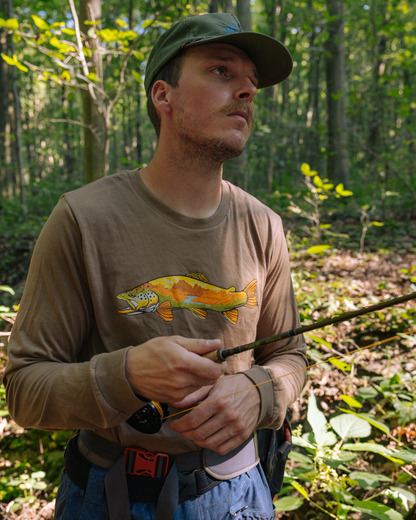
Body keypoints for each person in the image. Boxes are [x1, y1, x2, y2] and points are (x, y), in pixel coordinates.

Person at [3, 12, 307, 520]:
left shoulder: (263, 225)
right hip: (109, 492)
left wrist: (260, 392)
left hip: (240, 494)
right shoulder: (84, 218)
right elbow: (26, 391)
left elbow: (292, 356)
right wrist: (127, 375)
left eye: (252, 83)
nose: (247, 92)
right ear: (163, 96)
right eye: (221, 72)